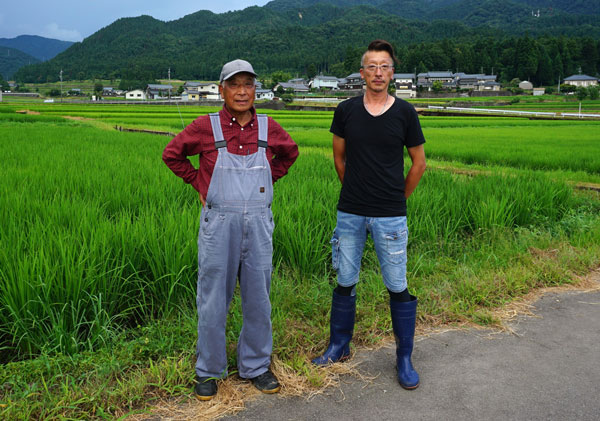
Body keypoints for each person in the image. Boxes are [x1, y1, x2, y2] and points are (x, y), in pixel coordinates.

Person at [162, 59, 299, 400]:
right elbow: (172, 155)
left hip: (258, 222)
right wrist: (200, 184)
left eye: (248, 84)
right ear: (221, 89)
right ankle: (208, 370)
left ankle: (255, 366)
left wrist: (270, 179)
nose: (242, 91)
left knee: (258, 297)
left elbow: (290, 154)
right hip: (218, 223)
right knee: (212, 299)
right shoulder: (206, 126)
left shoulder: (268, 127)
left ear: (256, 90)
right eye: (234, 84)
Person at [311, 40, 427, 390]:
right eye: (372, 66)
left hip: (391, 215)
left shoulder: (405, 113)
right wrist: (357, 192)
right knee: (345, 278)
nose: (378, 72)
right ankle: (338, 346)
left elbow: (419, 164)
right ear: (362, 73)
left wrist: (395, 198)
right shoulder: (345, 111)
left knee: (397, 284)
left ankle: (404, 357)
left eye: (385, 66)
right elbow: (339, 159)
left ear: (393, 73)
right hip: (350, 213)